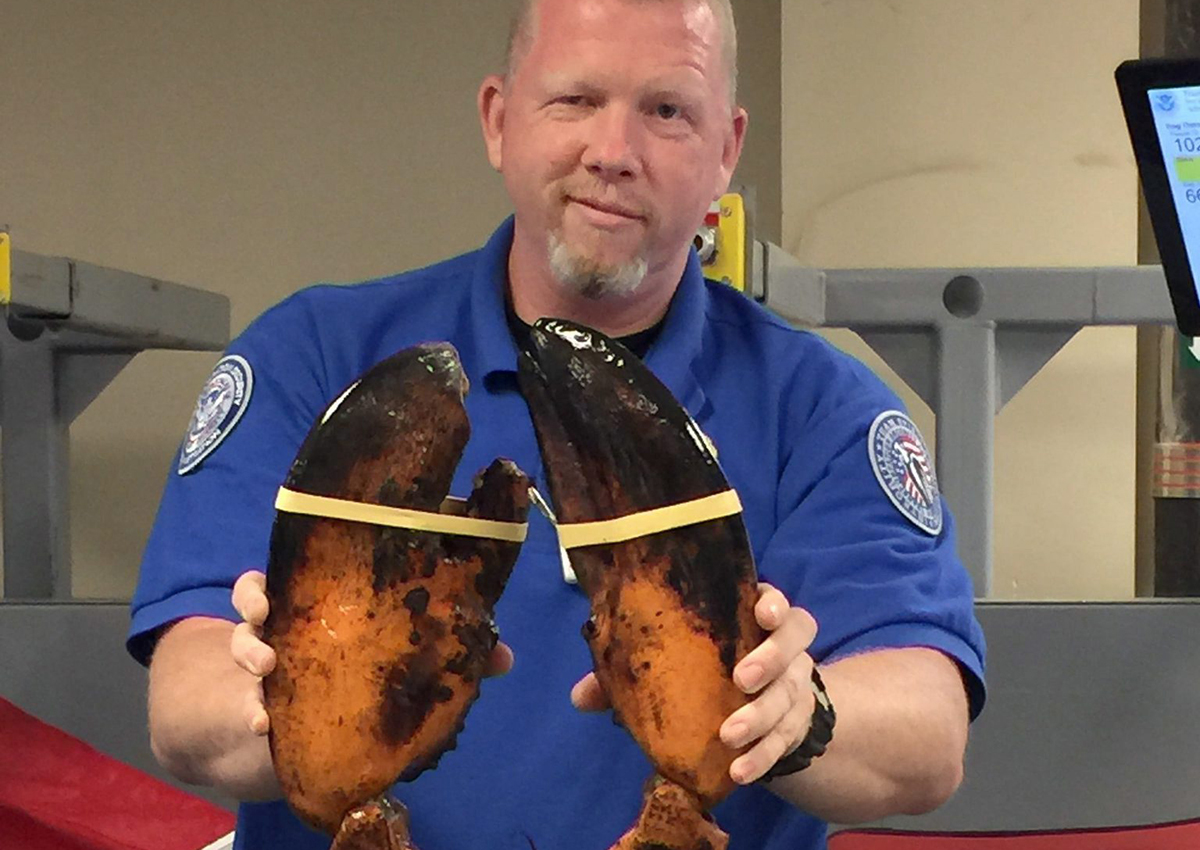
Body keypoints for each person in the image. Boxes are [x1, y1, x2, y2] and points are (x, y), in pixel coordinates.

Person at [132, 0, 986, 848]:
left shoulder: (823, 409)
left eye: (667, 110)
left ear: (726, 149)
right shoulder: (312, 355)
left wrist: (797, 714)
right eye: (576, 99)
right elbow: (185, 706)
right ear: (498, 120)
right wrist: (295, 690)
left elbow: (928, 736)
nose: (613, 152)